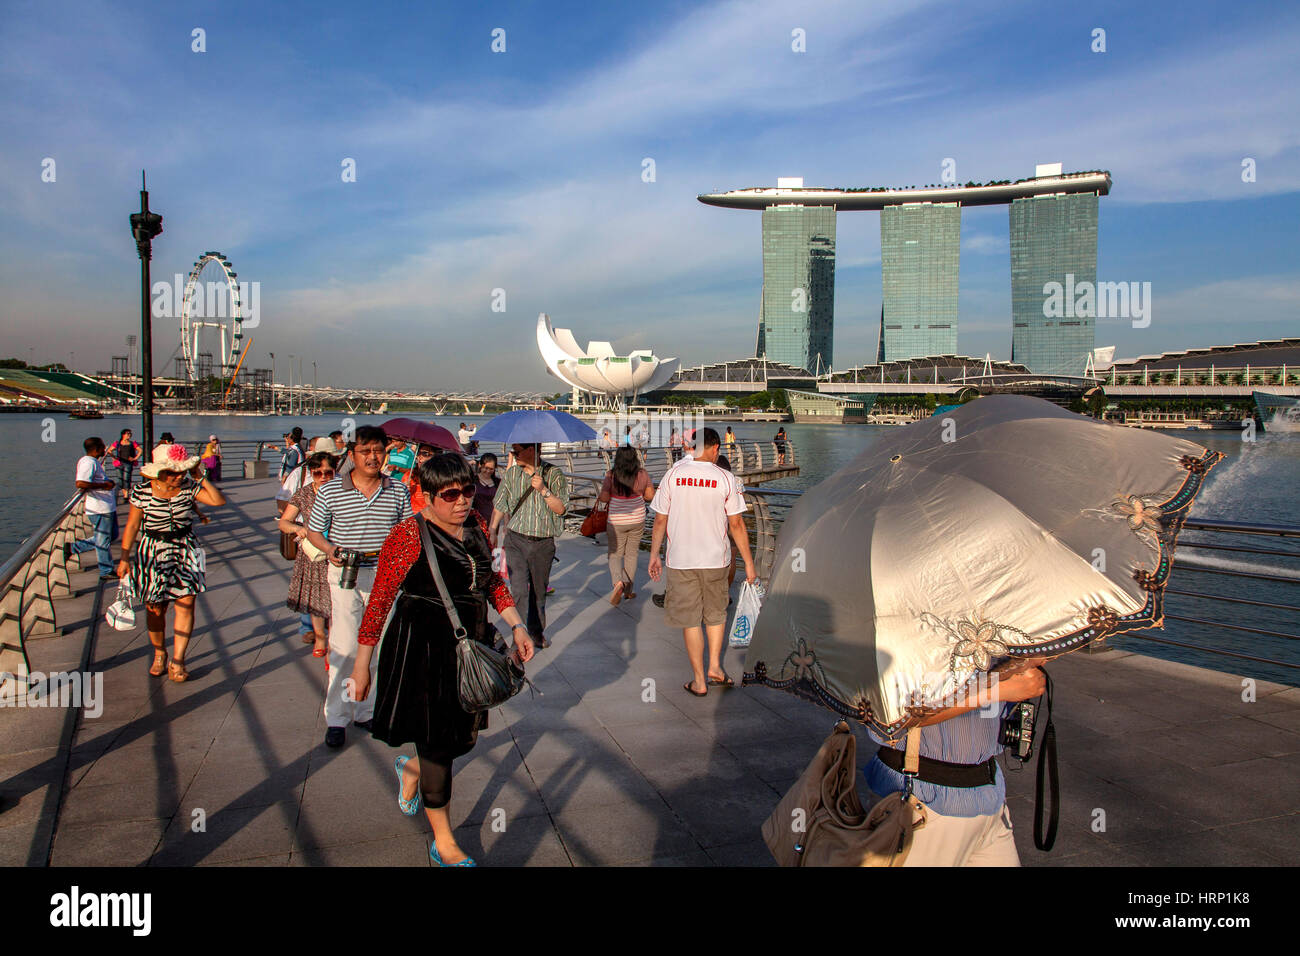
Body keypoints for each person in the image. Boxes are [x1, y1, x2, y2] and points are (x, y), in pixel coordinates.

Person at [350, 454, 535, 867]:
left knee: (460, 738)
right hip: (421, 645)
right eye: (450, 494)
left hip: (468, 640)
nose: (462, 501)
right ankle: (444, 841)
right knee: (436, 743)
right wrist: (362, 666)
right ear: (428, 495)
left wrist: (517, 626)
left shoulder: (476, 528)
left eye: (468, 491)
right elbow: (378, 603)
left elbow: (490, 583)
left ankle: (411, 769)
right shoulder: (407, 535)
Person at [864, 664, 1047, 866]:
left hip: (988, 797)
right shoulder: (907, 635)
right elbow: (893, 715)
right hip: (923, 804)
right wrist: (997, 690)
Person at [304, 426, 412, 748]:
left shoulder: (397, 490)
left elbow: (406, 532)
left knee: (376, 646)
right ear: (352, 455)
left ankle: (364, 709)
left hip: (384, 575)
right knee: (345, 645)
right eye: (365, 451)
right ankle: (337, 717)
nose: (373, 457)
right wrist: (330, 550)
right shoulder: (331, 491)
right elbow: (314, 532)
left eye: (378, 450)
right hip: (345, 574)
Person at [648, 427, 756, 697]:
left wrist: (654, 555)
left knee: (691, 620)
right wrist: (750, 565)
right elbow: (737, 524)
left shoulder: (673, 474)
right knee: (716, 615)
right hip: (715, 559)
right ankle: (716, 668)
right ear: (716, 448)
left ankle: (698, 680)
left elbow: (660, 519)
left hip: (680, 559)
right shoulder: (726, 478)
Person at [116, 443, 226, 682]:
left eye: (182, 471)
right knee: (155, 607)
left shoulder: (189, 487)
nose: (179, 476)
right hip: (152, 550)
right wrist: (124, 558)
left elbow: (218, 501)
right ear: (159, 473)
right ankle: (159, 652)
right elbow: (133, 526)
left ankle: (178, 659)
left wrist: (200, 477)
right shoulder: (142, 492)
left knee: (186, 602)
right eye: (174, 473)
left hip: (186, 547)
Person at [489, 441, 568, 650]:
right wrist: (492, 529)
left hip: (543, 543)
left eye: (517, 451)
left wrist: (543, 489)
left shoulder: (554, 474)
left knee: (538, 591)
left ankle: (536, 631)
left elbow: (561, 509)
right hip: (515, 539)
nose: (513, 455)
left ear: (531, 450)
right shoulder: (512, 474)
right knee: (518, 590)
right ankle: (521, 632)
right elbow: (500, 505)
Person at [279, 450, 339, 658]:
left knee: (336, 596)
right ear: (311, 473)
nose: (323, 477)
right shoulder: (303, 494)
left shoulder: (343, 492)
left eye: (328, 473)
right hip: (313, 554)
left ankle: (335, 637)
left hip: (337, 549)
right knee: (315, 598)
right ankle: (320, 635)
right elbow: (284, 522)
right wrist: (298, 529)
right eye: (318, 473)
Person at [596, 446, 655, 606]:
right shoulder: (642, 474)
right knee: (631, 554)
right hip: (637, 519)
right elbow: (650, 496)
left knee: (615, 554)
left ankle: (618, 583)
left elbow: (605, 497)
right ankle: (628, 591)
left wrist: (602, 495)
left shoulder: (611, 475)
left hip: (616, 521)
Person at [70, 437, 118, 580]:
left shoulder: (93, 462)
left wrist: (106, 483)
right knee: (103, 540)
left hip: (106, 507)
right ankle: (106, 570)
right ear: (97, 449)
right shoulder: (88, 463)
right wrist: (105, 486)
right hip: (100, 509)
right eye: (103, 447)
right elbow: (80, 483)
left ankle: (74, 547)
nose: (105, 450)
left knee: (111, 536)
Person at [106, 429, 142, 500]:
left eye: (130, 433)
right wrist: (114, 458)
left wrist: (135, 458)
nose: (129, 435)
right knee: (120, 479)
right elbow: (109, 450)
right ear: (123, 435)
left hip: (128, 463)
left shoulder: (132, 443)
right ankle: (124, 492)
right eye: (127, 433)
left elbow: (140, 450)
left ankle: (126, 495)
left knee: (127, 478)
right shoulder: (117, 443)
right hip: (119, 463)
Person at [472, 453, 501, 526]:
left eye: (491, 469)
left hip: (493, 522)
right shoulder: (473, 480)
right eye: (485, 468)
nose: (488, 471)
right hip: (475, 522)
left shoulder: (498, 482)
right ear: (480, 466)